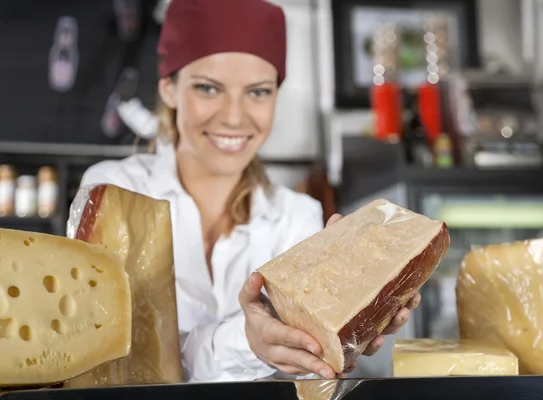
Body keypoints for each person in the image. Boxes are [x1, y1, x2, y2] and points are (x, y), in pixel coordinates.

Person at [77, 0, 421, 383]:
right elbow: (112, 357)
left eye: (258, 92)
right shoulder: (117, 190)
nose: (234, 117)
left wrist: (341, 331)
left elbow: (310, 380)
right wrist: (247, 342)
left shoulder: (296, 217)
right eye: (208, 88)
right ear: (169, 89)